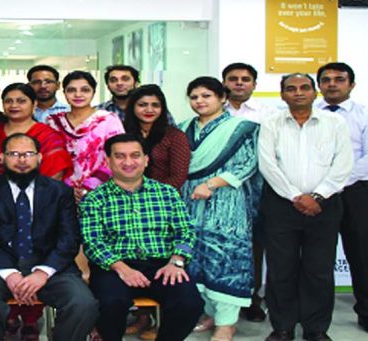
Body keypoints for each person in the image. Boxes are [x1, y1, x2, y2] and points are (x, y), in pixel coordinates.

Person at [0, 133, 99, 341]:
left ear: (40, 157)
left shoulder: (59, 191)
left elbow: (69, 238)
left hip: (50, 267)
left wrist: (43, 272)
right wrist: (9, 273)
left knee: (83, 303)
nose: (21, 160)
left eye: (28, 154)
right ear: (1, 158)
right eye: (14, 154)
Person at [258, 73, 353, 341]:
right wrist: (296, 196)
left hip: (325, 207)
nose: (298, 92)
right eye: (291, 88)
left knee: (319, 270)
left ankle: (316, 328)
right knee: (280, 269)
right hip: (281, 206)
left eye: (304, 88)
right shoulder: (271, 123)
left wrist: (318, 196)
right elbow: (268, 165)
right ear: (282, 95)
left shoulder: (335, 123)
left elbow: (343, 165)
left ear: (315, 92)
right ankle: (283, 327)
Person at [81, 133, 203, 341]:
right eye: (120, 156)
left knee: (189, 303)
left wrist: (177, 261)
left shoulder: (167, 193)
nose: (128, 162)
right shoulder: (95, 198)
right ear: (108, 161)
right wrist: (121, 267)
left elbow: (186, 231)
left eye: (135, 155)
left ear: (146, 160)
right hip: (113, 266)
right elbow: (93, 242)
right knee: (110, 303)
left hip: (162, 265)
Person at [178, 77, 260, 341]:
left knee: (225, 260)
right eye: (194, 97)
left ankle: (227, 323)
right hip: (189, 201)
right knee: (195, 258)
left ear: (222, 98)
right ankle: (209, 312)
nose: (200, 101)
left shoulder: (243, 128)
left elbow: (247, 164)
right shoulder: (182, 128)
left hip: (227, 202)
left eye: (206, 96)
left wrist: (211, 184)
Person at [315, 62, 368, 336]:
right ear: (319, 85)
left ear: (351, 84)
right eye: (326, 79)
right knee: (317, 257)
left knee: (362, 254)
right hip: (318, 194)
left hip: (356, 192)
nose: (332, 84)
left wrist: (333, 183)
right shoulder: (308, 114)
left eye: (339, 79)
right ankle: (316, 315)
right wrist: (321, 187)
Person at [221, 62, 274, 323]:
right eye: (233, 79)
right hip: (219, 189)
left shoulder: (268, 114)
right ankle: (220, 299)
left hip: (257, 188)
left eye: (245, 79)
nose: (239, 83)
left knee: (254, 246)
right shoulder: (214, 111)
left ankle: (253, 298)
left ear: (254, 84)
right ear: (224, 83)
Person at [45, 70, 123, 200]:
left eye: (85, 90)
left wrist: (88, 187)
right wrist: (67, 188)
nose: (78, 94)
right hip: (61, 192)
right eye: (71, 90)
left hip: (102, 192)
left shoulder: (108, 119)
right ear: (64, 93)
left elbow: (118, 155)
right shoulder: (52, 122)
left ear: (93, 92)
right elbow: (49, 159)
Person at [0, 83, 72, 181]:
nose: (14, 105)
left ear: (34, 104)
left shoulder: (48, 136)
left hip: (39, 193)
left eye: (21, 101)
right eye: (8, 101)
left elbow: (55, 174)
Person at [122, 84, 190, 189]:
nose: (149, 110)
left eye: (155, 105)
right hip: (123, 195)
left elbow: (178, 176)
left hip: (162, 197)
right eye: (142, 105)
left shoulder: (175, 136)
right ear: (132, 107)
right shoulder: (121, 132)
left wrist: (149, 194)